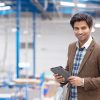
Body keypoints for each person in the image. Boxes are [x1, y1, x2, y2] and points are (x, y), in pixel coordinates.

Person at [54, 13, 100, 100]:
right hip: (70, 97)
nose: (80, 32)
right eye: (76, 28)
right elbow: (68, 70)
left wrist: (83, 82)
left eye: (83, 28)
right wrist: (62, 78)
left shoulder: (98, 49)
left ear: (90, 28)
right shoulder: (71, 47)